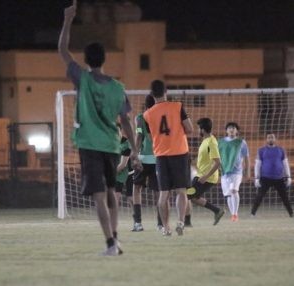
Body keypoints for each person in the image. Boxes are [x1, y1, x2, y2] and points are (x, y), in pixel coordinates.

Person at [58, 0, 139, 255]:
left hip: (90, 145)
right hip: (112, 146)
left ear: (86, 60)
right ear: (104, 59)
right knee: (112, 191)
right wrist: (135, 150)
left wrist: (68, 19)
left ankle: (110, 244)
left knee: (99, 196)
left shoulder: (83, 79)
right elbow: (126, 121)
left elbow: (62, 50)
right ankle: (116, 238)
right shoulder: (117, 88)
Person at [143, 79, 193, 236]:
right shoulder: (177, 106)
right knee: (181, 191)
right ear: (166, 91)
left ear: (152, 94)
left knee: (164, 193)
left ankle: (166, 227)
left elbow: (150, 137)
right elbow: (190, 129)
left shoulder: (147, 114)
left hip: (161, 155)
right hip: (180, 152)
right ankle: (180, 222)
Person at [131, 94, 162, 232]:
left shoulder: (139, 118)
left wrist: (135, 155)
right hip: (159, 158)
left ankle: (138, 223)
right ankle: (160, 224)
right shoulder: (162, 117)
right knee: (159, 192)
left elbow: (138, 136)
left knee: (136, 189)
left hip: (143, 159)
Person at [187, 118, 225, 224]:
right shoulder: (205, 141)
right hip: (200, 175)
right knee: (193, 197)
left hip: (206, 177)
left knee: (185, 196)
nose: (197, 131)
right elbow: (204, 158)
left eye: (198, 128)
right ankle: (217, 210)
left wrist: (206, 176)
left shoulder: (211, 142)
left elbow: (218, 162)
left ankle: (185, 222)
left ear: (202, 130)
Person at [250, 134, 294, 217]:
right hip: (265, 178)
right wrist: (256, 178)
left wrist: (288, 177)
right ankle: (252, 213)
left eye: (272, 137)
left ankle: (291, 213)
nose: (270, 139)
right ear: (266, 139)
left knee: (284, 197)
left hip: (279, 178)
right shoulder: (261, 150)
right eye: (269, 138)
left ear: (275, 139)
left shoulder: (281, 150)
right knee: (259, 196)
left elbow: (285, 164)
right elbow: (257, 165)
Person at [217, 122, 250, 221]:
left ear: (237, 131)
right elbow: (217, 157)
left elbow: (246, 158)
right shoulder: (220, 142)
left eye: (234, 128)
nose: (232, 130)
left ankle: (235, 214)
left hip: (237, 172)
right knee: (228, 194)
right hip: (224, 172)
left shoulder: (241, 142)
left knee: (234, 190)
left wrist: (248, 172)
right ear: (226, 131)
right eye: (230, 128)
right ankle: (232, 214)